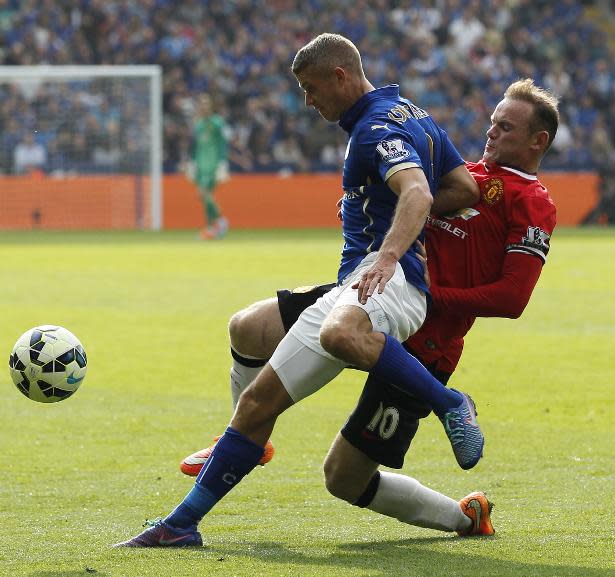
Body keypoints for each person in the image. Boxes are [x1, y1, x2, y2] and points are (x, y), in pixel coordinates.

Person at [114, 32, 482, 548]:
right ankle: (181, 525)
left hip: (387, 278)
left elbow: (418, 190)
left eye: (312, 89)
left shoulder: (377, 128)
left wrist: (391, 250)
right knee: (256, 392)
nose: (308, 103)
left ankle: (449, 403)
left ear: (341, 75)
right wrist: (386, 210)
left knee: (338, 335)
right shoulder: (412, 114)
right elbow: (463, 189)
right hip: (363, 278)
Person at [181, 78, 559, 539]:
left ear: (538, 141)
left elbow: (511, 298)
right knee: (249, 328)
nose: (491, 132)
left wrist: (431, 295)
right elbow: (406, 201)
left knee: (343, 477)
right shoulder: (462, 175)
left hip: (426, 343)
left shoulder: (532, 203)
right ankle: (242, 438)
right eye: (493, 122)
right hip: (369, 292)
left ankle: (466, 516)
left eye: (507, 128)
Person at [189, 94, 230, 240]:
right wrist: (193, 162)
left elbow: (223, 144)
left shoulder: (218, 122)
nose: (204, 106)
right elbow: (195, 146)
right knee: (206, 197)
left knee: (203, 193)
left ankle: (220, 221)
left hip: (212, 164)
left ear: (211, 106)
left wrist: (222, 163)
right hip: (200, 165)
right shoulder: (198, 125)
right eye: (201, 103)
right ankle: (210, 229)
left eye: (206, 103)